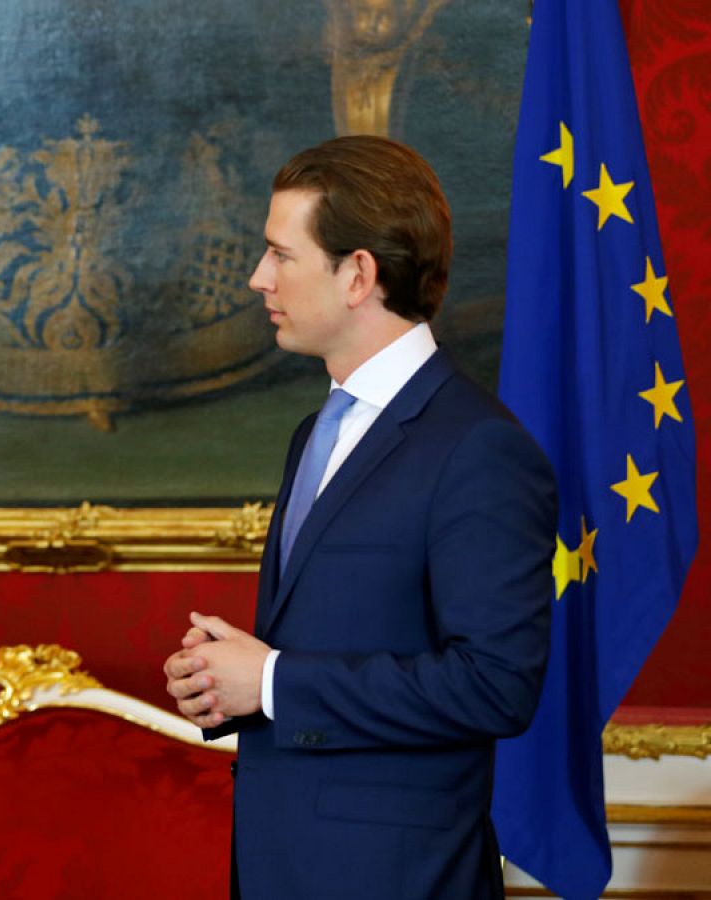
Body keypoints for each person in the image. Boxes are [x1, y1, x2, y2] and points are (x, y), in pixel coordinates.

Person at [163, 136, 556, 899]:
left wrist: (272, 680)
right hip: (284, 863)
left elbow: (497, 685)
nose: (257, 278)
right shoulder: (315, 432)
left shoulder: (479, 448)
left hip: (396, 879)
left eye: (281, 255)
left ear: (359, 275)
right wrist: (226, 681)